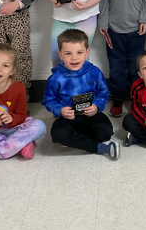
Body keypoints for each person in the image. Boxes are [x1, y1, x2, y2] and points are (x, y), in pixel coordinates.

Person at [43, 29, 119, 159]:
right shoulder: (56, 77)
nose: (74, 58)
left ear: (87, 53)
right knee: (58, 134)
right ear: (60, 55)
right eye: (68, 53)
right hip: (67, 118)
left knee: (106, 132)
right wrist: (60, 110)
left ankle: (80, 137)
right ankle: (98, 147)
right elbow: (49, 101)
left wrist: (96, 106)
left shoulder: (94, 72)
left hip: (92, 115)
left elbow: (103, 93)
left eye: (79, 52)